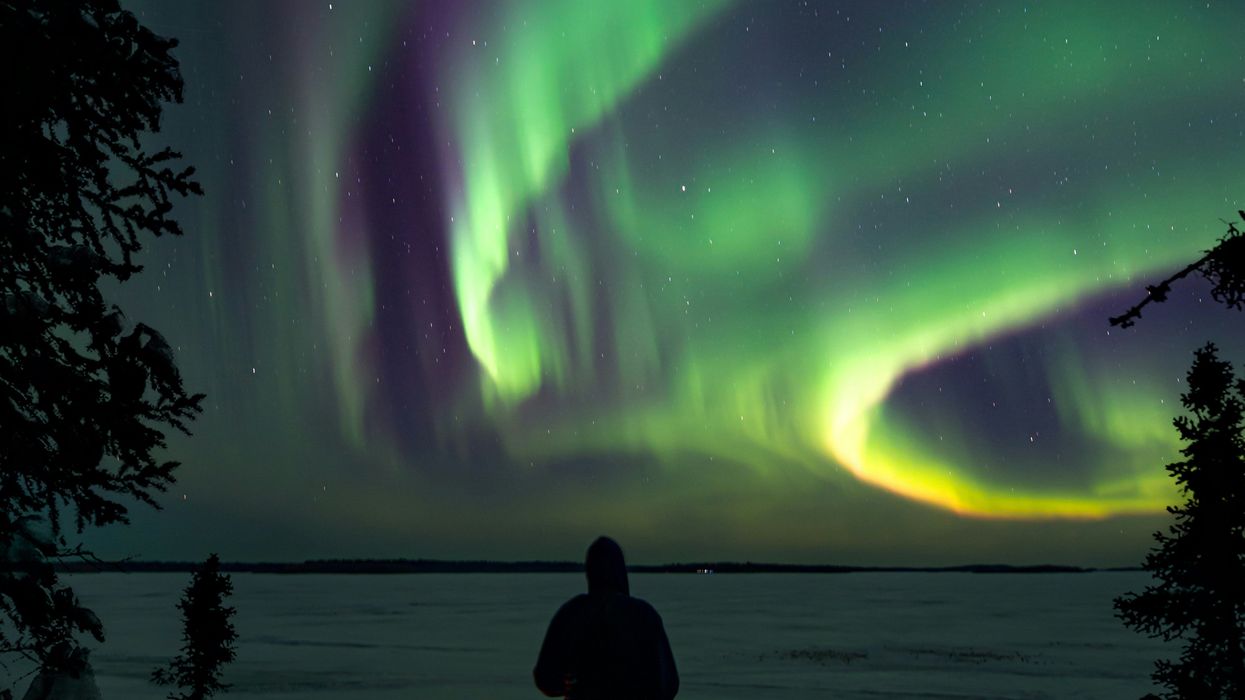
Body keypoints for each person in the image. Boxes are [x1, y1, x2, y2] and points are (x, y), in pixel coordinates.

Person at [534, 537, 679, 699]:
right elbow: (668, 684)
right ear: (621, 571)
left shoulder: (571, 613)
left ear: (589, 572)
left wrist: (569, 683)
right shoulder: (644, 615)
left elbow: (545, 678)